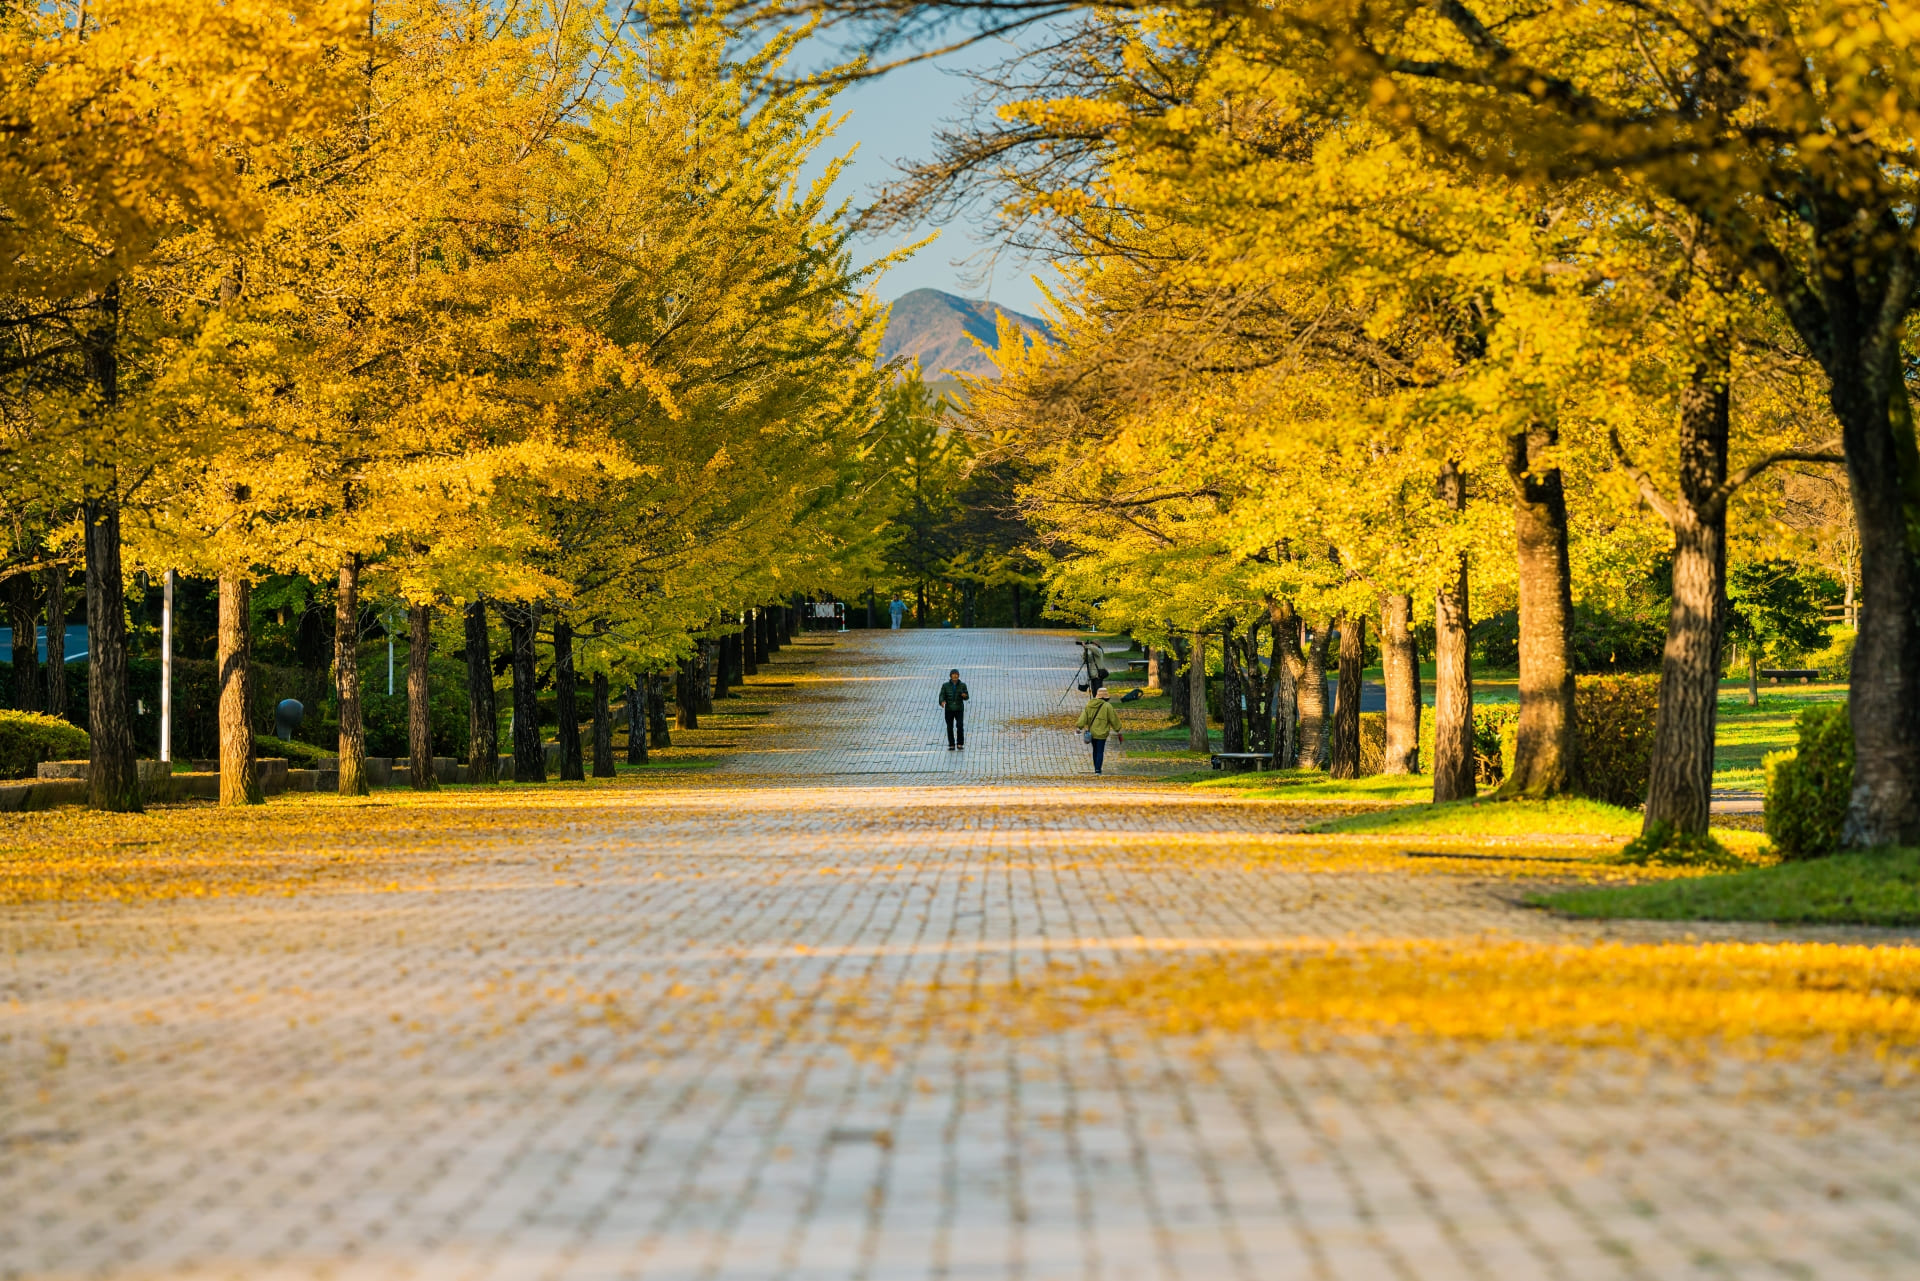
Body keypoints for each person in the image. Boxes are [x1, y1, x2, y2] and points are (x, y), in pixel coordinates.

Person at [1076, 686, 1123, 774]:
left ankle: (1096, 768)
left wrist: (1079, 727)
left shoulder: (1090, 705)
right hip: (1102, 733)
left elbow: (1083, 717)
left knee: (1095, 750)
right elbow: (1113, 718)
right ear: (1105, 697)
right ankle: (1098, 769)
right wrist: (1118, 730)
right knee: (1100, 751)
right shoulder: (1107, 706)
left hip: (1092, 733)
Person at [938, 668, 969, 749]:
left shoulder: (962, 685)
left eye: (956, 675)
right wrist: (942, 701)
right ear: (950, 676)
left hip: (959, 709)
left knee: (960, 725)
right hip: (949, 709)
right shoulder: (945, 685)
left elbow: (967, 697)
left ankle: (960, 743)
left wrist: (964, 695)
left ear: (958, 676)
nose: (955, 676)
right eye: (953, 674)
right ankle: (951, 744)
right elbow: (942, 695)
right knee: (949, 727)